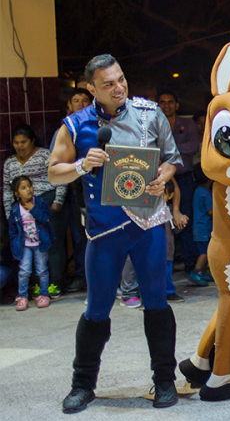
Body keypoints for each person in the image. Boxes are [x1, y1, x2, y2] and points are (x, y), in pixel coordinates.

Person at [48, 54, 182, 412]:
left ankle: (164, 381)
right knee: (97, 309)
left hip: (148, 222)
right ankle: (82, 385)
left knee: (156, 303)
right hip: (104, 230)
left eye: (121, 79)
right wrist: (79, 164)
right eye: (108, 84)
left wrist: (162, 178)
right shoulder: (75, 125)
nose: (118, 87)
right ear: (90, 88)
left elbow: (172, 158)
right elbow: (52, 173)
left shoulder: (150, 112)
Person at [4, 124, 67, 297]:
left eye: (23, 142)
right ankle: (37, 285)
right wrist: (10, 213)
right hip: (22, 210)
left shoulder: (45, 155)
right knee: (29, 245)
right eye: (16, 143)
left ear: (32, 141)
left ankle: (54, 283)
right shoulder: (10, 163)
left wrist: (58, 201)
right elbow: (6, 189)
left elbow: (60, 176)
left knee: (50, 243)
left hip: (45, 202)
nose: (20, 146)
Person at [158, 90, 201, 274]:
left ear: (176, 105)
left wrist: (167, 148)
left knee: (186, 220)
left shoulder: (188, 123)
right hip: (159, 180)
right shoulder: (154, 123)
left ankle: (190, 264)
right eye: (163, 102)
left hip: (184, 179)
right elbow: (152, 149)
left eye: (170, 102)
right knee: (160, 223)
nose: (166, 105)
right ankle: (168, 262)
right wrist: (175, 150)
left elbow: (192, 147)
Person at [61, 89, 94, 295]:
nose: (81, 104)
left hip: (101, 192)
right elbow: (58, 167)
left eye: (85, 101)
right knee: (81, 237)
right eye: (76, 101)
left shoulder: (98, 126)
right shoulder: (66, 130)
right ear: (69, 105)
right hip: (76, 193)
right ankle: (85, 280)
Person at [8, 176, 53, 311]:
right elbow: (12, 230)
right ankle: (22, 297)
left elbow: (46, 219)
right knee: (24, 271)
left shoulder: (40, 203)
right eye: (23, 188)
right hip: (25, 245)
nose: (28, 189)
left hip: (40, 243)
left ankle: (44, 295)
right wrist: (14, 244)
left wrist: (33, 209)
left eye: (29, 186)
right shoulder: (15, 209)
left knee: (42, 270)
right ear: (17, 194)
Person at [189, 165, 213, 286]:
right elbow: (211, 211)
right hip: (204, 227)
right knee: (206, 252)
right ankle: (196, 272)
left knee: (203, 250)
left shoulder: (197, 190)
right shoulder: (206, 193)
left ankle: (203, 273)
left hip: (197, 226)